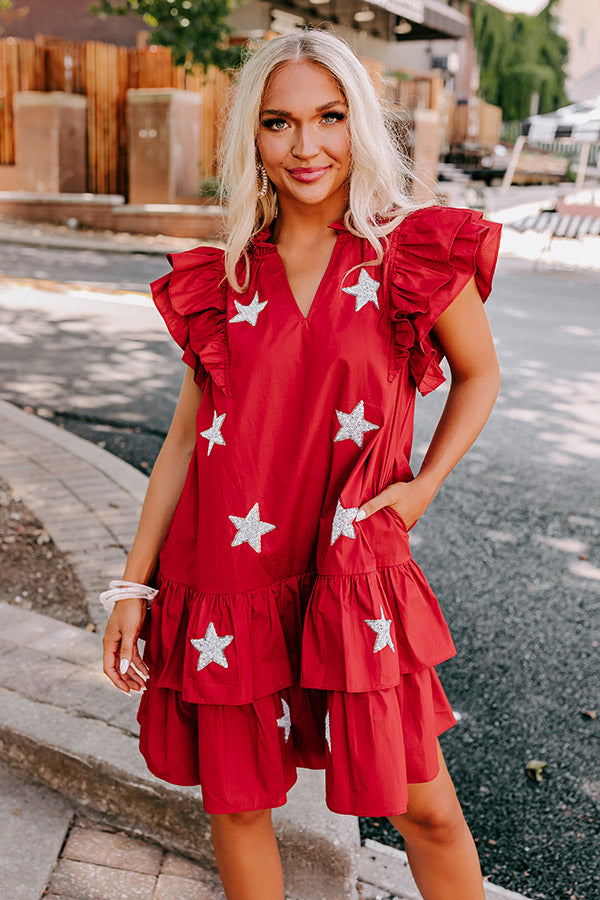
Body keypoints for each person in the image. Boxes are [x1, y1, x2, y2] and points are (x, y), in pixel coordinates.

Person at [102, 28, 502, 900]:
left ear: (359, 121)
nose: (306, 146)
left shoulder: (413, 252)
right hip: (229, 578)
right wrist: (132, 590)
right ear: (253, 136)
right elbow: (183, 441)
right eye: (280, 123)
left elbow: (480, 374)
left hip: (354, 568)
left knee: (425, 807)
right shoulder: (226, 278)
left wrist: (423, 486)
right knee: (240, 807)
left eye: (328, 117)